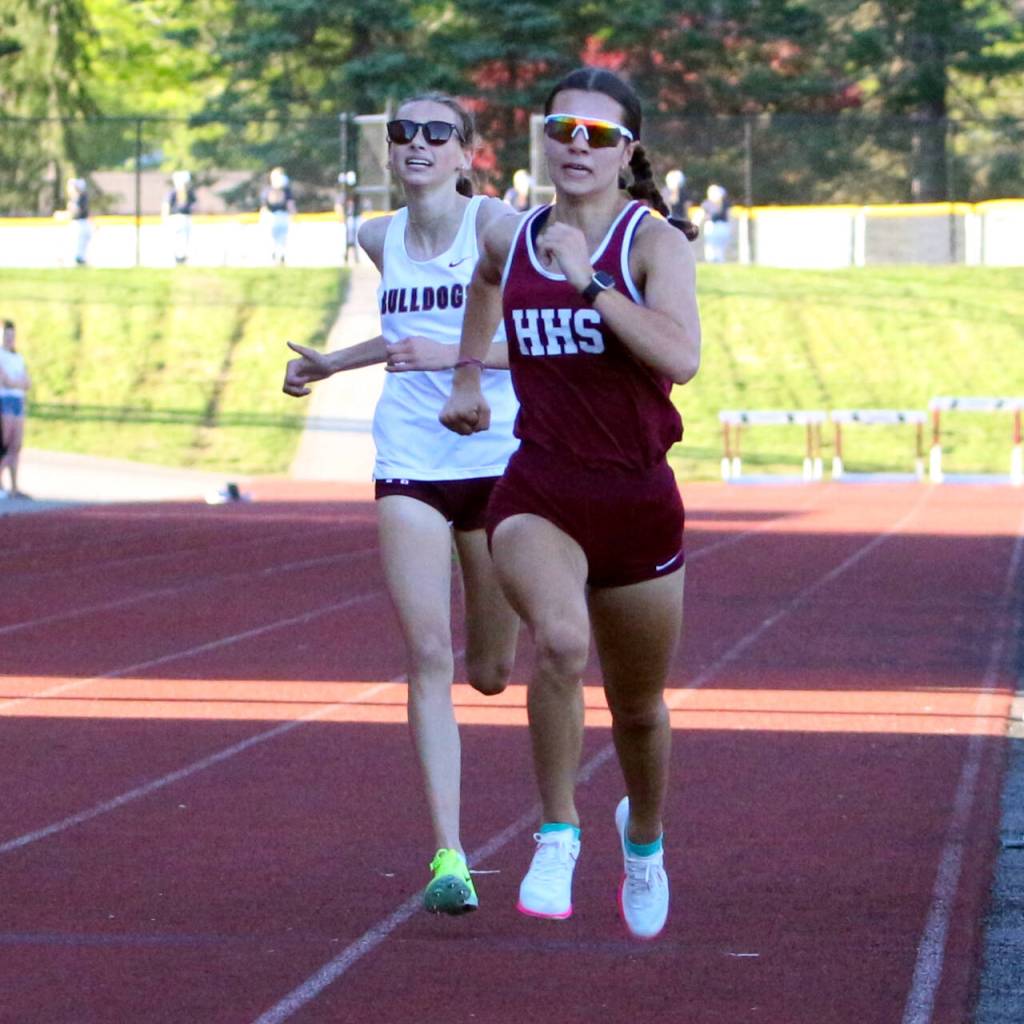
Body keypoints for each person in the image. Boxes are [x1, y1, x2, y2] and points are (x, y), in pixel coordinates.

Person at [440, 66, 701, 941]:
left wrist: (590, 283)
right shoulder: (509, 237)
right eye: (562, 130)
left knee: (639, 710)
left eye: (596, 136)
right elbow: (482, 284)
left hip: (636, 496)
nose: (576, 147)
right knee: (558, 640)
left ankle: (646, 840)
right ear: (541, 138)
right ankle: (558, 832)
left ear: (628, 151)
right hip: (539, 487)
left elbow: (680, 358)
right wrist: (471, 372)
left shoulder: (653, 243)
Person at [282, 94, 521, 916]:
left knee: (489, 674)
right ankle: (449, 854)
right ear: (391, 151)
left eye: (436, 134)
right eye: (403, 134)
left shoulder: (495, 227)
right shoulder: (378, 235)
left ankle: (500, 655)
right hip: (409, 462)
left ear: (467, 153)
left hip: (497, 462)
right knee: (425, 655)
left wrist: (458, 356)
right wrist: (328, 365)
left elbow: (539, 337)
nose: (417, 144)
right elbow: (398, 341)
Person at [0, 320, 31, 498]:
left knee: (16, 445)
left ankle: (14, 486)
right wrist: (18, 383)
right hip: (5, 400)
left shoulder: (18, 357)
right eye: (6, 335)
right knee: (4, 443)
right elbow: (7, 381)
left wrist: (17, 383)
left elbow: (28, 383)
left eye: (12, 335)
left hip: (18, 402)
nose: (10, 338)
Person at [260, 167, 297, 264]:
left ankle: (279, 256)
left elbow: (264, 207)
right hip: (275, 217)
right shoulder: (272, 190)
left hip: (279, 217)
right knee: (278, 238)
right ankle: (278, 256)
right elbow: (290, 205)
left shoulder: (283, 190)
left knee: (278, 238)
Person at [162, 170, 198, 265]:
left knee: (185, 238)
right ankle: (178, 257)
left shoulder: (189, 193)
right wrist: (165, 219)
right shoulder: (173, 193)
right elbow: (166, 205)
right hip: (175, 218)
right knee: (177, 238)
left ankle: (183, 257)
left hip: (186, 218)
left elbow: (194, 205)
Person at [59, 177, 91, 266]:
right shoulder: (78, 198)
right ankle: (78, 259)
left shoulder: (79, 198)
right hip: (82, 224)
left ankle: (77, 259)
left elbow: (75, 212)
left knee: (77, 249)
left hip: (80, 225)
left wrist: (62, 215)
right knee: (78, 248)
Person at [699, 183, 731, 263]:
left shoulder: (725, 203)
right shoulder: (707, 203)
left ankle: (719, 261)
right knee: (710, 247)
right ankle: (712, 261)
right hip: (711, 226)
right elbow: (701, 215)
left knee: (719, 248)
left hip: (722, 226)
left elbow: (728, 216)